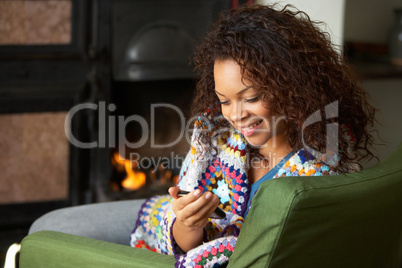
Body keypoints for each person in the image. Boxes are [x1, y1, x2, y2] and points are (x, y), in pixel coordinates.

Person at [30, 4, 376, 268]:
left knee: (42, 245)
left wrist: (192, 236)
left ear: (294, 87)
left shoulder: (321, 172)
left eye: (252, 97)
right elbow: (181, 232)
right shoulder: (217, 135)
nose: (236, 115)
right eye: (225, 100)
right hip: (162, 224)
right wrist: (186, 221)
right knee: (50, 223)